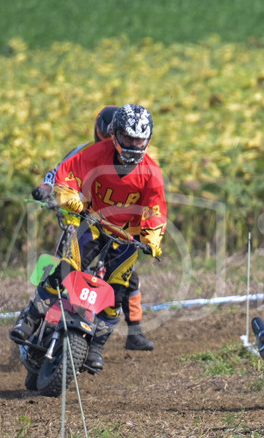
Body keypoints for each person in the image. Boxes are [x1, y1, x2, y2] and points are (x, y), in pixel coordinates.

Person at [11, 104, 167, 372]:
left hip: (126, 235)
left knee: (116, 294)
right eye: (128, 138)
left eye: (139, 140)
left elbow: (155, 209)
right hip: (91, 222)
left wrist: (152, 237)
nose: (133, 145)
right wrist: (65, 195)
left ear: (148, 140)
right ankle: (31, 317)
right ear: (115, 134)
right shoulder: (94, 153)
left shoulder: (151, 173)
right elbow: (66, 175)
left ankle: (96, 346)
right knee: (64, 269)